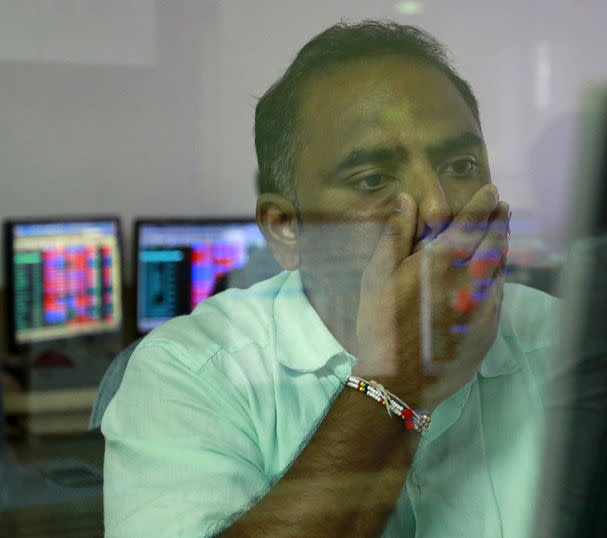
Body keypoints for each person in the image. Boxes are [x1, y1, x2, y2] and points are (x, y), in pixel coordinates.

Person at [102, 20, 558, 537]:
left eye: (461, 164)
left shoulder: (564, 342)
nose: (437, 207)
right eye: (371, 179)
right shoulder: (190, 372)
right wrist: (397, 379)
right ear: (286, 228)